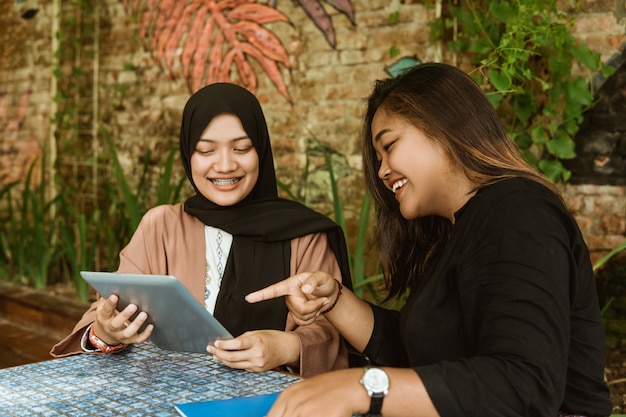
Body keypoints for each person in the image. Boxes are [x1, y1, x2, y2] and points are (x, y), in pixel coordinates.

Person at [246, 63, 613, 416]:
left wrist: (358, 387)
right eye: (377, 157)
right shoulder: (457, 231)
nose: (382, 170)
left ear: (445, 126)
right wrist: (335, 301)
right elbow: (420, 363)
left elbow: (522, 386)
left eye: (388, 146)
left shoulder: (519, 212)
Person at [50, 83, 353, 377]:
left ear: (260, 148)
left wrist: (288, 347)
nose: (224, 165)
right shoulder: (162, 227)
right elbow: (107, 311)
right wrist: (107, 329)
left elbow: (333, 331)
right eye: (206, 151)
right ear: (187, 154)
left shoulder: (303, 234)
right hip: (167, 397)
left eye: (241, 148)